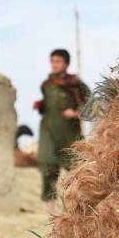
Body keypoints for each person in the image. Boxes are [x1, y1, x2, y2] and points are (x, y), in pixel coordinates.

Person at [35, 48, 90, 210]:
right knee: (48, 171)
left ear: (66, 63)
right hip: (48, 134)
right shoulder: (46, 85)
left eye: (58, 61)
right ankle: (50, 211)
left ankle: (79, 208)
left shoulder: (77, 84)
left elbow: (91, 105)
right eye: (52, 61)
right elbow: (49, 105)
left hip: (70, 136)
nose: (54, 65)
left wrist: (75, 113)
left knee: (77, 172)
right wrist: (41, 105)